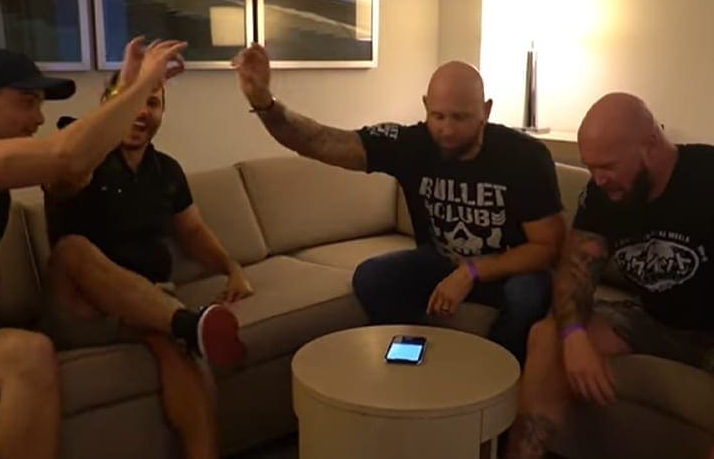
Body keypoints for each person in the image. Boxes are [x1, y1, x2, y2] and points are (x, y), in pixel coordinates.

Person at [0, 38, 191, 459]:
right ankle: (186, 323)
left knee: (31, 352)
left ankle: (185, 325)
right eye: (27, 102)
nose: (39, 118)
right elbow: (66, 156)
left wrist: (123, 90)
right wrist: (143, 84)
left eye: (41, 105)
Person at [231, 43, 565, 364]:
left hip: (509, 269)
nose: (447, 130)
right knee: (372, 277)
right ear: (425, 106)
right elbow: (321, 141)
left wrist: (472, 272)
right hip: (442, 261)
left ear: (486, 110)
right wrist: (265, 104)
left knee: (527, 296)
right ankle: (422, 357)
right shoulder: (411, 144)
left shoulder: (524, 156)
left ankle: (493, 377)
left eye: (460, 118)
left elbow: (547, 248)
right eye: (438, 116)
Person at [43, 66, 253, 458]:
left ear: (162, 113)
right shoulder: (77, 155)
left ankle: (185, 334)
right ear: (109, 107)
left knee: (180, 352)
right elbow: (62, 182)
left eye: (152, 103)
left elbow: (193, 232)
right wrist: (89, 146)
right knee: (72, 248)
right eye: (130, 101)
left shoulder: (167, 171)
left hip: (146, 302)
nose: (141, 112)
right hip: (81, 305)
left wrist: (232, 268)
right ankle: (185, 323)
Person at [505, 93, 714, 459]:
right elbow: (574, 272)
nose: (598, 179)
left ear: (651, 144)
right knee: (547, 335)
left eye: (608, 166)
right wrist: (573, 335)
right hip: (654, 319)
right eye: (590, 167)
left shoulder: (705, 177)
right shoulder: (603, 193)